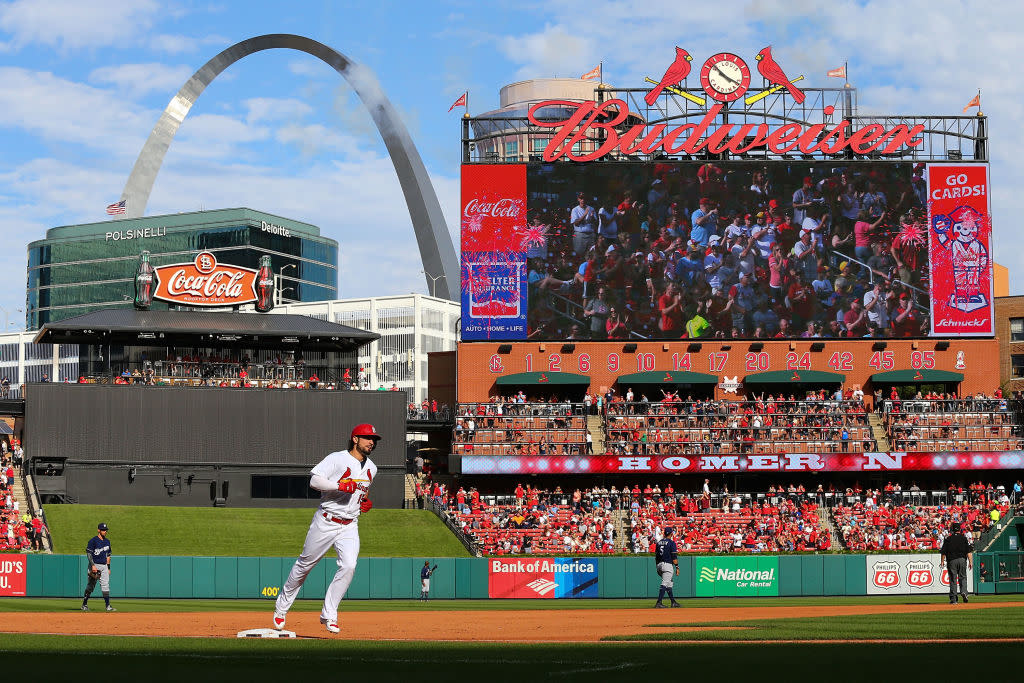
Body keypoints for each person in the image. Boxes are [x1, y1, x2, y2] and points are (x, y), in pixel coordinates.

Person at [273, 423, 380, 634]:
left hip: (350, 524)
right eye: (367, 438)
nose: (372, 442)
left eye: (374, 439)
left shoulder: (372, 468)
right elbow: (314, 481)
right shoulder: (337, 458)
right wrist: (339, 485)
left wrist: (364, 502)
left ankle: (329, 615)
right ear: (355, 439)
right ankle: (281, 609)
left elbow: (362, 493)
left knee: (349, 566)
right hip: (326, 520)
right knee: (305, 564)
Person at [82, 522, 114, 612]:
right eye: (103, 530)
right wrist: (92, 565)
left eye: (105, 530)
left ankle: (108, 606)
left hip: (104, 566)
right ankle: (84, 604)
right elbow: (89, 554)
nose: (105, 531)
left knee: (105, 585)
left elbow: (108, 556)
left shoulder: (107, 542)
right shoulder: (93, 541)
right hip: (95, 565)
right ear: (98, 530)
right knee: (91, 586)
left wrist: (108, 567)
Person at [940, 523, 973, 605]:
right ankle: (964, 592)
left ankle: (954, 599)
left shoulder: (948, 539)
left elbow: (943, 552)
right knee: (963, 577)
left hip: (952, 561)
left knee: (953, 580)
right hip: (962, 560)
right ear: (959, 530)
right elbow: (968, 551)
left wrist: (942, 561)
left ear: (952, 529)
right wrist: (970, 562)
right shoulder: (964, 538)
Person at [653, 527, 681, 608]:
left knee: (669, 583)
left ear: (664, 533)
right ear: (671, 534)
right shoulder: (671, 543)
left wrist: (658, 566)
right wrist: (677, 567)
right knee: (665, 583)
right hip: (667, 565)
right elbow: (674, 557)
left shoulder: (658, 543)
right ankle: (659, 602)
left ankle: (673, 602)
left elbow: (656, 556)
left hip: (659, 565)